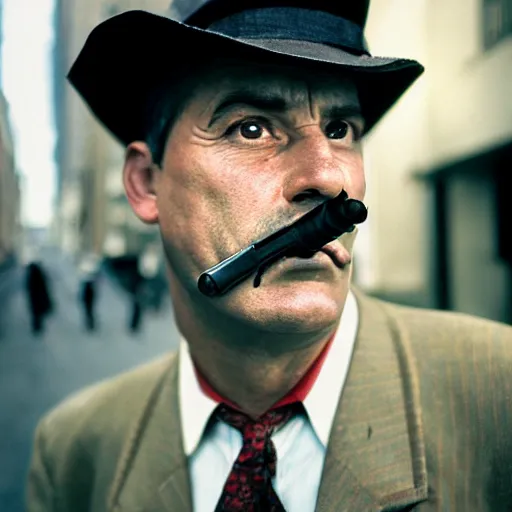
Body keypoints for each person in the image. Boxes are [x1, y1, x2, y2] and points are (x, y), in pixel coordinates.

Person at [26, 2, 512, 511]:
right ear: (147, 183)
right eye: (251, 128)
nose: (328, 179)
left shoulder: (498, 400)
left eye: (340, 128)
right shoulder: (74, 455)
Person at [24, 260, 53, 335]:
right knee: (38, 314)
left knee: (36, 315)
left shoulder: (31, 276)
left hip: (35, 299)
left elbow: (29, 289)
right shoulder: (39, 275)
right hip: (38, 298)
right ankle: (38, 328)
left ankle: (37, 328)